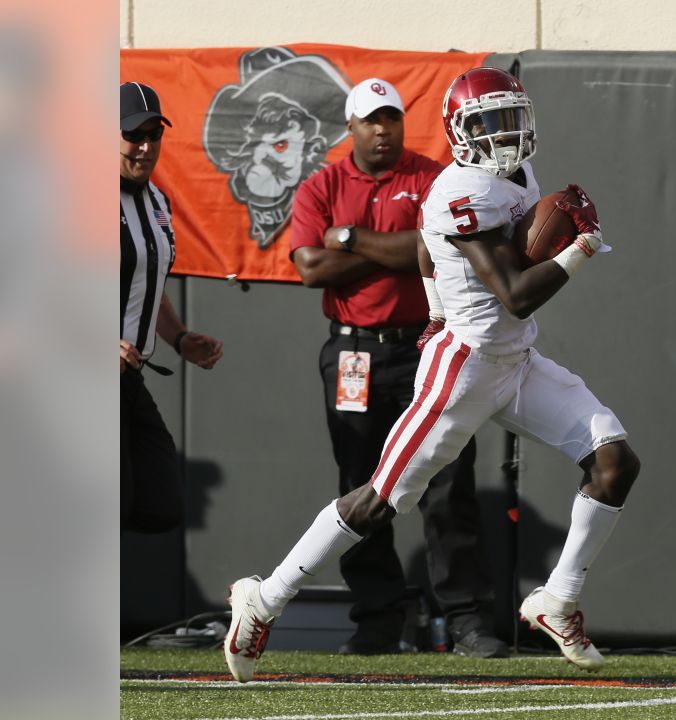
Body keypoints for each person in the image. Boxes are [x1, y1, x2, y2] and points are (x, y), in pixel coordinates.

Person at [224, 67, 640, 682]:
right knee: (379, 502)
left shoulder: (515, 174)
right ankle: (264, 600)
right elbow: (517, 293)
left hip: (516, 361)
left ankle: (558, 599)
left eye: (510, 119)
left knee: (614, 462)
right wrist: (579, 247)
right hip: (466, 367)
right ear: (459, 132)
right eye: (487, 123)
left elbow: (422, 243)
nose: (503, 135)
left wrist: (436, 305)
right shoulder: (459, 190)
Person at [288, 78, 505, 658]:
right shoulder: (323, 184)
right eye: (371, 121)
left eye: (392, 119)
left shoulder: (433, 176)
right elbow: (310, 266)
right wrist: (397, 249)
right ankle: (378, 621)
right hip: (354, 349)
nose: (383, 130)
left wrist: (352, 239)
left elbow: (425, 251)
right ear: (351, 128)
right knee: (363, 482)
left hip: (426, 344)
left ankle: (467, 621)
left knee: (448, 481)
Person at [120, 81, 224, 533]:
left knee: (158, 501)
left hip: (128, 378)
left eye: (153, 135)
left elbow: (146, 285)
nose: (145, 147)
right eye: (133, 135)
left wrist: (178, 336)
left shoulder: (157, 200)